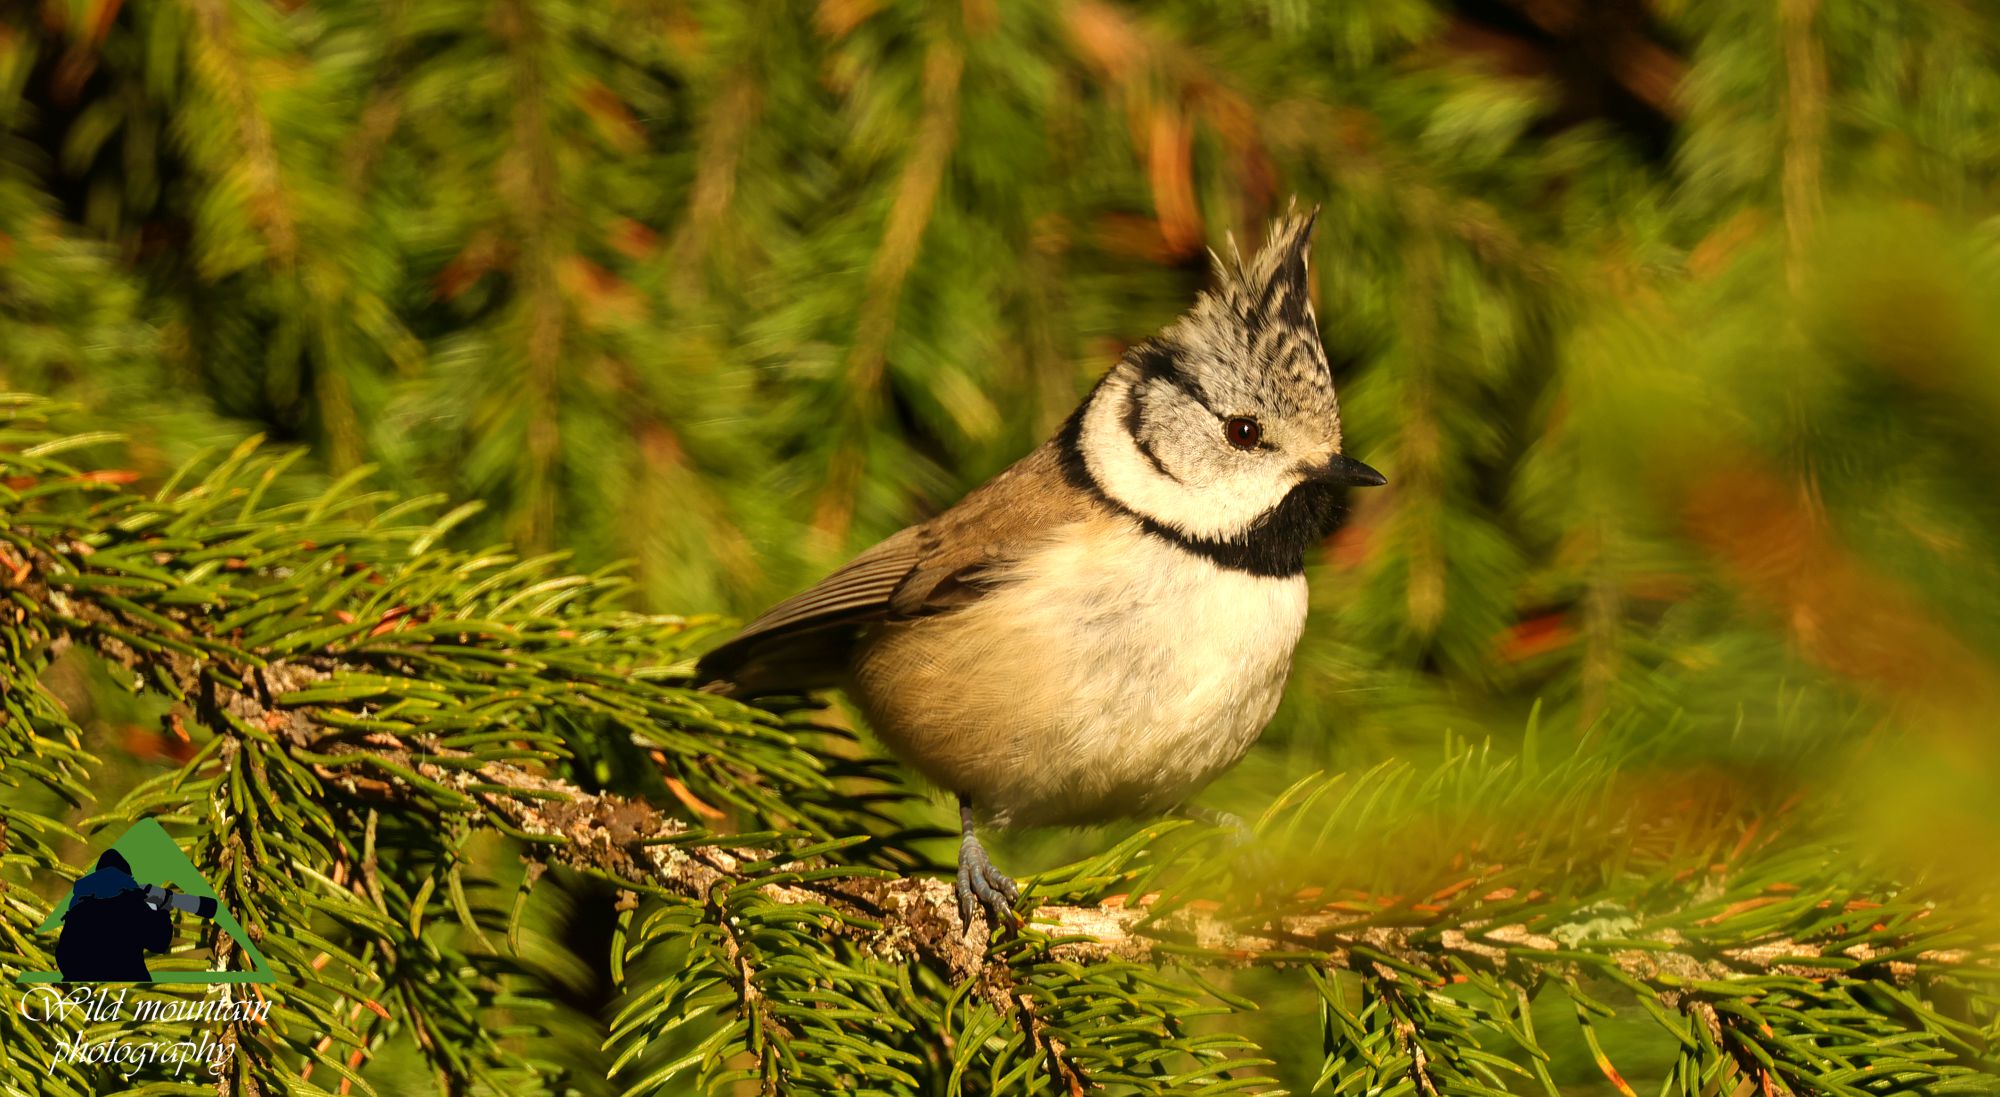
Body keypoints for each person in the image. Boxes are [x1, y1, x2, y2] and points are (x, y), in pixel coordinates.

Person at [54, 849, 173, 981]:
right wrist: (163, 909)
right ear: (127, 877)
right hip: (127, 982)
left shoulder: (80, 906)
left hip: (82, 982)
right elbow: (160, 943)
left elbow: (63, 955)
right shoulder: (133, 904)